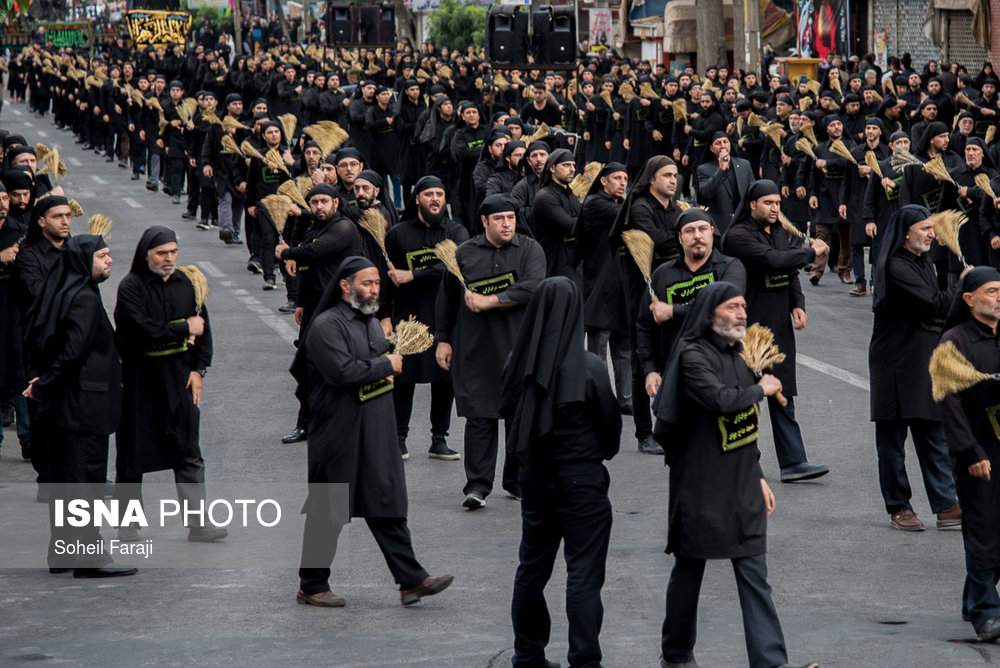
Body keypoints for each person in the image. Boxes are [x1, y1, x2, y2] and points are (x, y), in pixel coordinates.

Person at [651, 281, 817, 668]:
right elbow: (720, 401)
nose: (742, 313)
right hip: (701, 481)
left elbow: (745, 427)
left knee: (753, 569)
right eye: (732, 307)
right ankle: (676, 654)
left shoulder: (740, 355)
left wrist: (758, 474)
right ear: (710, 314)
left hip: (741, 479)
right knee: (690, 567)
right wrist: (762, 388)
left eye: (744, 306)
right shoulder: (692, 356)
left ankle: (771, 662)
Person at [294, 256, 454, 607]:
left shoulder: (369, 322)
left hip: (375, 429)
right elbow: (342, 372)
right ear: (345, 285)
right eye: (367, 283)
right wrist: (386, 364)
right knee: (330, 508)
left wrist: (387, 359)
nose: (373, 290)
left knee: (385, 499)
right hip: (338, 431)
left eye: (377, 284)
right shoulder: (326, 325)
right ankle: (312, 583)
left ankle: (411, 580)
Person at [501, 277, 621, 668]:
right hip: (581, 477)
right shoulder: (588, 366)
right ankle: (584, 659)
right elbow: (609, 425)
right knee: (584, 572)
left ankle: (527, 653)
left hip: (534, 477)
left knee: (532, 568)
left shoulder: (516, 362)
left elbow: (509, 415)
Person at [23, 234, 136, 579]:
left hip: (67, 407)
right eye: (102, 256)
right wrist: (44, 385)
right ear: (84, 261)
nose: (109, 261)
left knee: (65, 479)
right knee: (85, 479)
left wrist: (44, 383)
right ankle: (90, 556)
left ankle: (62, 552)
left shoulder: (65, 292)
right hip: (84, 406)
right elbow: (73, 352)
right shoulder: (84, 298)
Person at [114, 226, 227, 543]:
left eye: (173, 252)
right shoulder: (131, 287)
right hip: (140, 380)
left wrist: (199, 370)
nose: (169, 258)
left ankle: (198, 523)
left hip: (180, 380)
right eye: (162, 253)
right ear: (146, 254)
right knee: (132, 454)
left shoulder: (187, 284)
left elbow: (204, 330)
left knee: (189, 451)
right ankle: (127, 524)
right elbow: (140, 329)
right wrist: (182, 327)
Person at [434, 194, 546, 509]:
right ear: (485, 222)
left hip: (518, 349)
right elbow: (447, 299)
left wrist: (490, 300)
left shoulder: (529, 249)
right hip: (474, 350)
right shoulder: (463, 254)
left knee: (519, 418)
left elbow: (535, 285)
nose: (506, 223)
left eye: (510, 217)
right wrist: (443, 339)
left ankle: (516, 481)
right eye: (499, 219)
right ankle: (478, 486)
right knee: (480, 418)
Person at [724, 180, 831, 482]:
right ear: (752, 205)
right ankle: (744, 459)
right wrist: (810, 251)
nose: (774, 208)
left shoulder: (779, 231)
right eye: (768, 203)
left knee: (782, 391)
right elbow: (774, 261)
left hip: (779, 325)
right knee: (748, 393)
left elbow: (788, 270)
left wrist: (798, 302)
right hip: (750, 326)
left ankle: (793, 461)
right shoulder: (738, 235)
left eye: (777, 203)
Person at [869, 204, 962, 530]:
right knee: (893, 442)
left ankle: (946, 504)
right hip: (894, 363)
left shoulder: (922, 262)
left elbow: (938, 312)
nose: (932, 235)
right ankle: (899, 506)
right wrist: (962, 286)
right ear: (906, 233)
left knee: (932, 432)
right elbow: (934, 304)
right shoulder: (895, 266)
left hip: (922, 359)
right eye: (925, 229)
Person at [385, 176, 469, 460]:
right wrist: (385, 316)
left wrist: (413, 275)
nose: (435, 199)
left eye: (440, 194)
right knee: (404, 377)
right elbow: (388, 279)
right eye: (429, 194)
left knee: (444, 378)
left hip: (445, 315)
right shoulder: (397, 233)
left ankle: (439, 438)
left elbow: (455, 264)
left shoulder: (456, 232)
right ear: (417, 198)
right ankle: (398, 438)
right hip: (408, 316)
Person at [938, 267, 1000, 640]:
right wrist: (971, 451)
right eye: (992, 291)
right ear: (969, 299)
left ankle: (971, 598)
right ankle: (985, 611)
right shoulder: (953, 342)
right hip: (977, 452)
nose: (999, 297)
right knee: (984, 527)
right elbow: (949, 403)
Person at [275, 183, 362, 445]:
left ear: (335, 203)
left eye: (324, 201)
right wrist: (301, 302)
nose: (319, 206)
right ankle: (306, 424)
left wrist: (287, 252)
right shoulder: (313, 227)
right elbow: (308, 269)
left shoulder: (343, 227)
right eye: (314, 202)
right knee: (306, 368)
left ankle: (343, 425)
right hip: (315, 308)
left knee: (337, 369)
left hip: (340, 311)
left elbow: (315, 251)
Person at [695, 132, 754, 234]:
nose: (722, 145)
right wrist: (721, 170)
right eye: (718, 143)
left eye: (725, 142)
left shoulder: (744, 165)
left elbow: (754, 191)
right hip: (719, 224)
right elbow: (705, 193)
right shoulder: (703, 169)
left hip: (744, 221)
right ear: (711, 149)